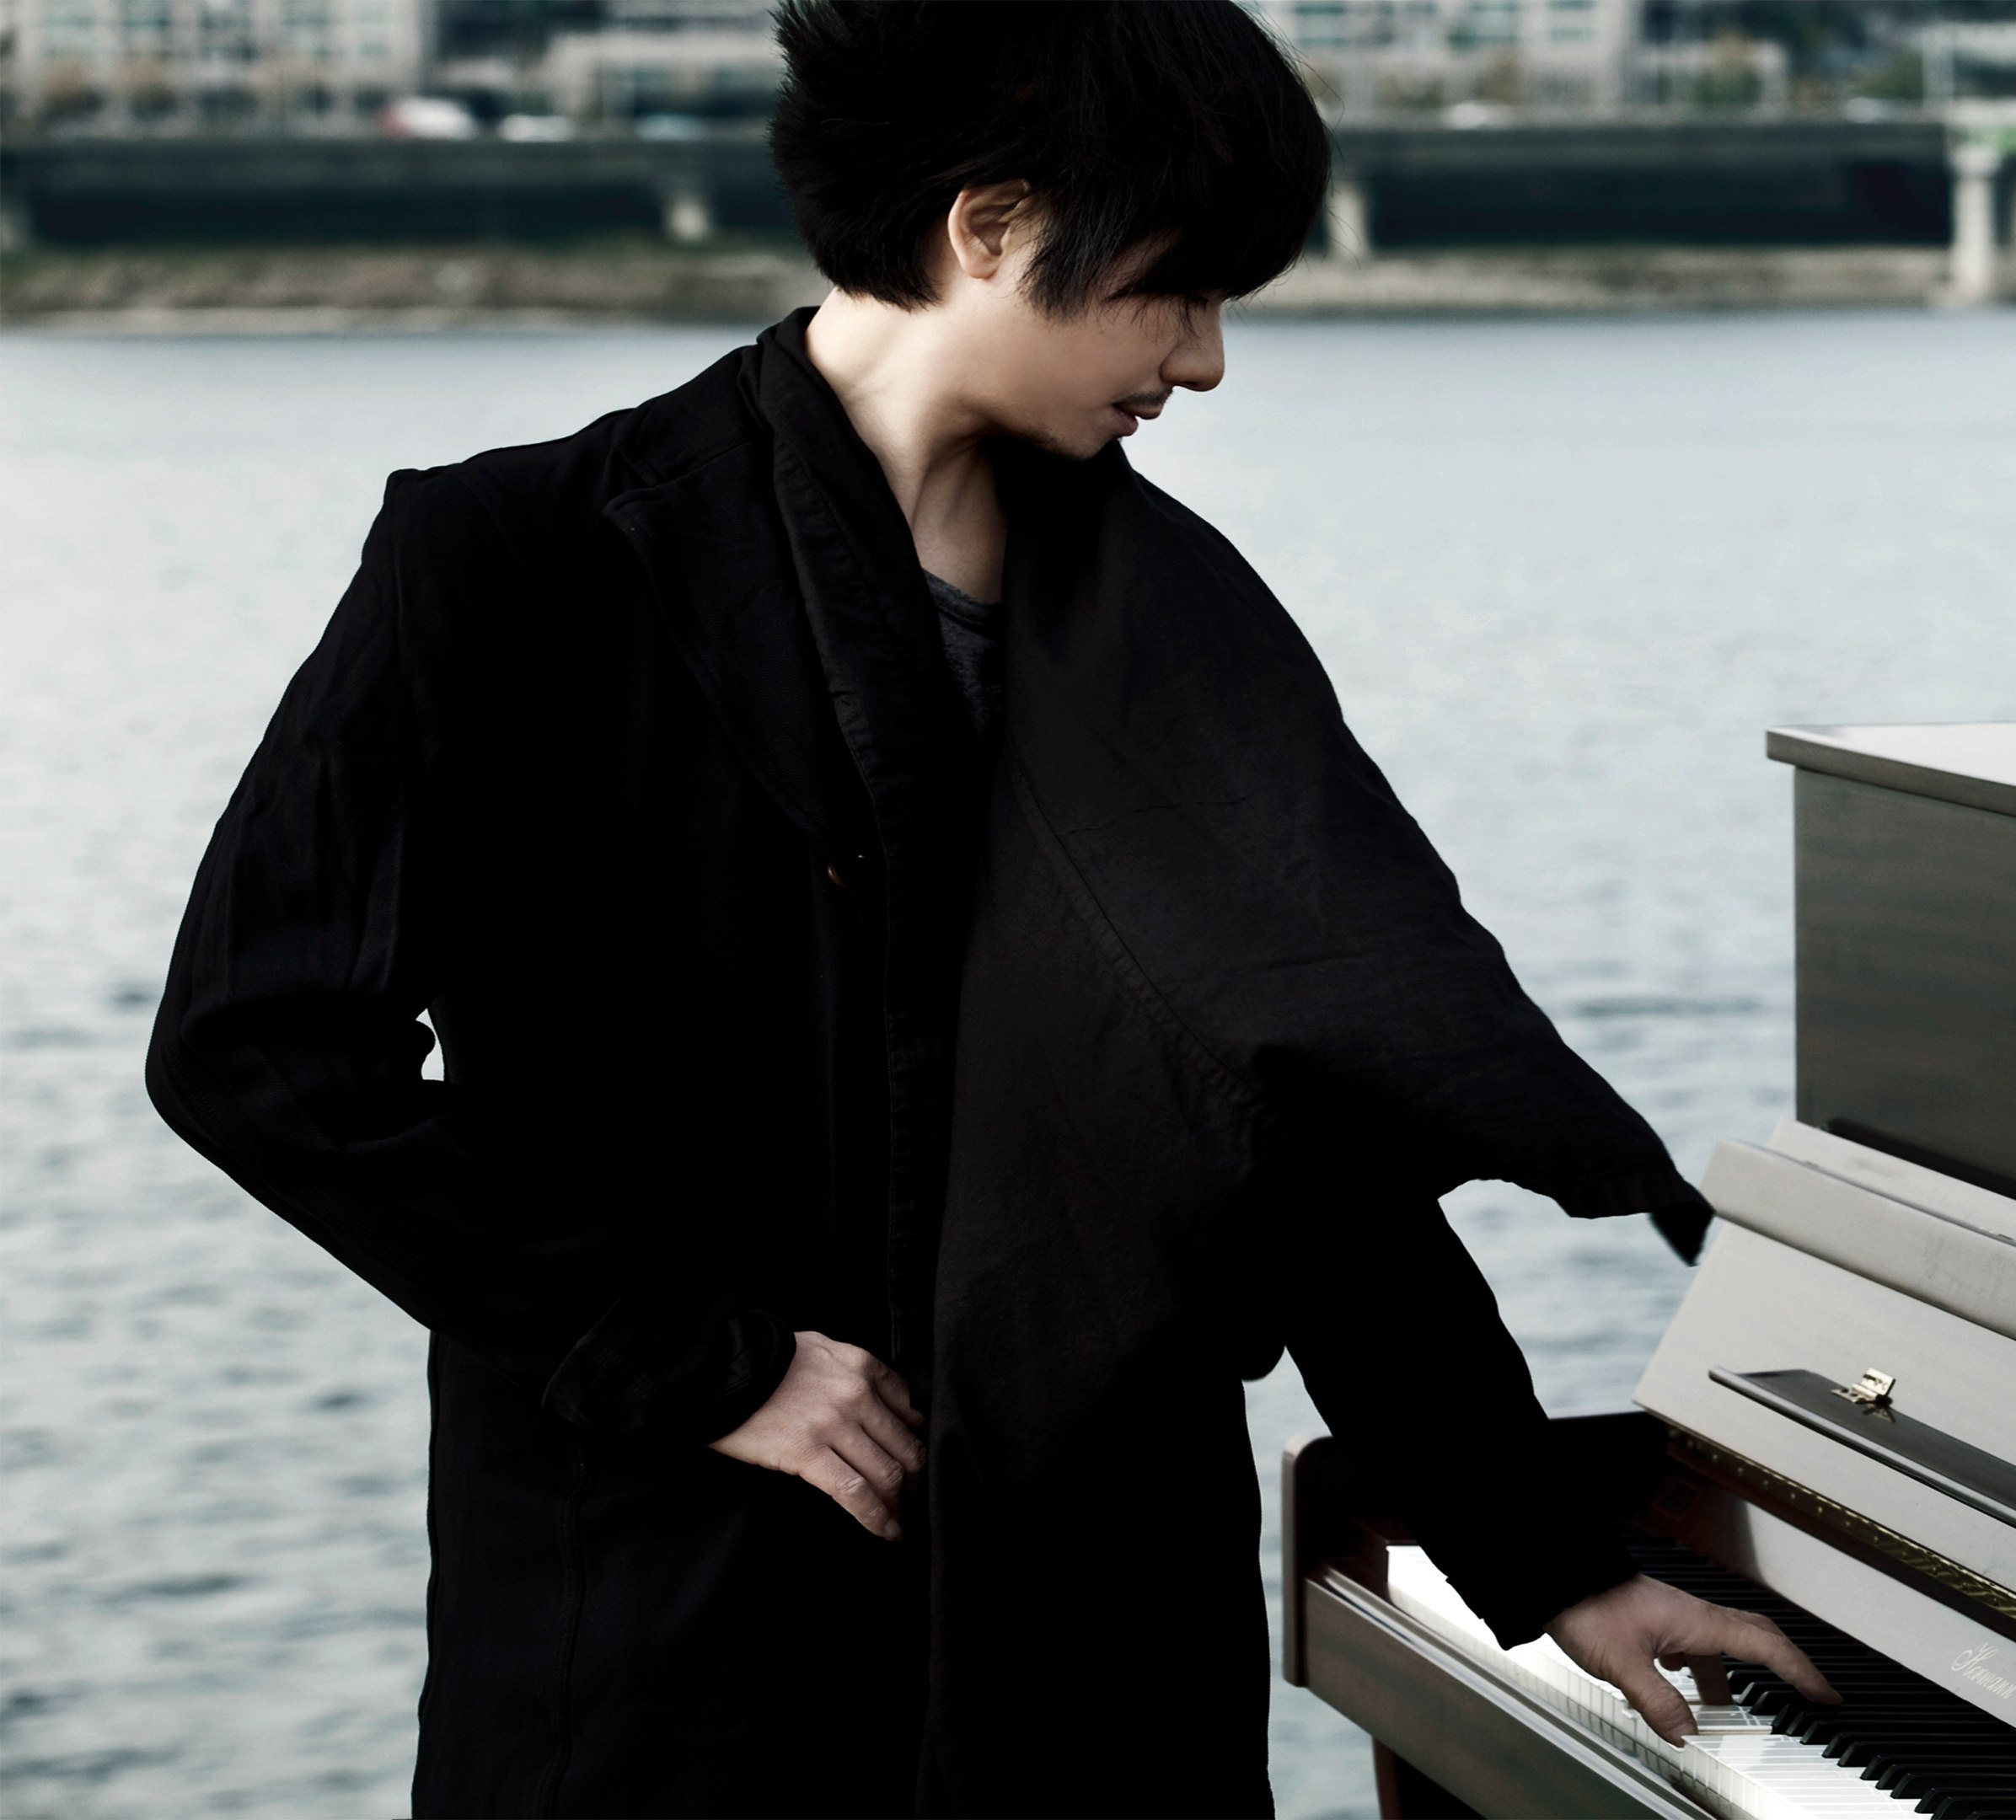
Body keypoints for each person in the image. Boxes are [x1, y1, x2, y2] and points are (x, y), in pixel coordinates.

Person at [143, 4, 1831, 1814]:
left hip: (1098, 1641)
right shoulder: (513, 561)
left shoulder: (1179, 624)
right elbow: (259, 1051)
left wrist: (1550, 1558)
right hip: (675, 1636)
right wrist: (696, 1364)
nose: (1204, 363)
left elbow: (1300, 1121)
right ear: (992, 228)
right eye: (1176, 293)